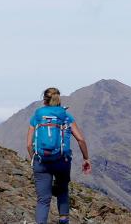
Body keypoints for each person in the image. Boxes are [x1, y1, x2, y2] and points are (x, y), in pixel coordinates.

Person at [25, 87, 91, 224]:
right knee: (62, 191)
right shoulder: (66, 116)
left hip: (41, 161)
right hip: (62, 161)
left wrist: (35, 160)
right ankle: (63, 221)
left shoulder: (37, 116)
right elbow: (81, 140)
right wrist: (86, 158)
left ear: (44, 100)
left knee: (43, 200)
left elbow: (29, 145)